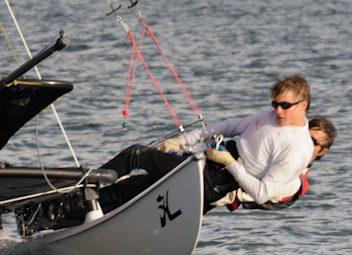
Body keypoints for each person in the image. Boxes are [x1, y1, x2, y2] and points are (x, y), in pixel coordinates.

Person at [102, 75, 315, 212]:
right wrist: (181, 140)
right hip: (207, 167)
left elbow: (261, 194)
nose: (277, 110)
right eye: (275, 104)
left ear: (303, 105)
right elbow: (229, 126)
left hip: (214, 183)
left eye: (285, 106)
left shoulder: (298, 148)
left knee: (137, 155)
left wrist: (229, 162)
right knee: (133, 189)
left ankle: (88, 183)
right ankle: (75, 207)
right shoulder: (269, 116)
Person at [212, 117, 336, 211]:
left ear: (322, 151)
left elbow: (256, 194)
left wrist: (229, 162)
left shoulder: (294, 184)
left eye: (313, 141)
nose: (306, 143)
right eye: (305, 136)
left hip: (217, 188)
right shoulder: (283, 148)